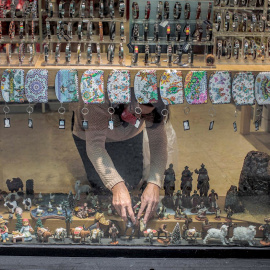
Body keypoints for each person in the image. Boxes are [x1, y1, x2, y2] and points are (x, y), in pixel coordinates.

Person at [71, 90, 168, 225]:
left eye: (145, 115)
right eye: (136, 112)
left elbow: (158, 143)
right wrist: (116, 184)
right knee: (102, 189)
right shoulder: (97, 95)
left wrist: (155, 183)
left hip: (130, 135)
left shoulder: (155, 100)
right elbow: (95, 147)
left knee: (132, 182)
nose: (139, 118)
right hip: (90, 135)